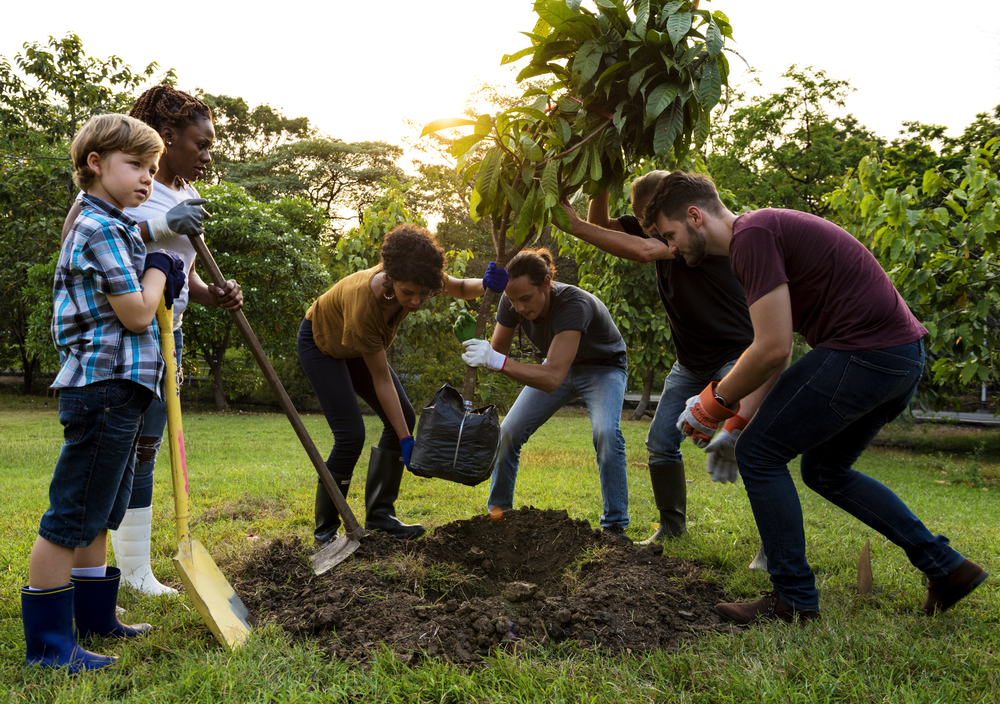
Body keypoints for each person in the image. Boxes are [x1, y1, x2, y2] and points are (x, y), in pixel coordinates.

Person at [642, 170, 988, 623]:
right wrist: (734, 424)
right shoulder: (757, 237)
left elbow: (772, 348)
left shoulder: (752, 236)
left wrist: (711, 403)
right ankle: (947, 568)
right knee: (824, 470)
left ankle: (793, 600)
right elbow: (773, 354)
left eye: (669, 235)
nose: (670, 248)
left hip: (866, 352)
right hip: (900, 357)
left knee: (761, 456)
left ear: (694, 215)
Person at [60, 85, 243, 596]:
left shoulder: (182, 191)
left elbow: (177, 273)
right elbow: (77, 241)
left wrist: (213, 293)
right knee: (117, 455)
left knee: (144, 448)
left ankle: (136, 571)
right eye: (200, 144)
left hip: (168, 335)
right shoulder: (121, 192)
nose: (208, 155)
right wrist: (159, 225)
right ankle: (131, 571)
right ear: (168, 138)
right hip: (122, 341)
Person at [23, 114, 186, 671]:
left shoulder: (118, 226)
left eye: (153, 168)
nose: (148, 178)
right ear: (96, 164)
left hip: (122, 391)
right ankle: (49, 647)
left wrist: (163, 261)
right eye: (136, 165)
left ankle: (95, 619)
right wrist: (163, 265)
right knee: (70, 518)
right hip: (103, 389)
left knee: (100, 513)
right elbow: (139, 314)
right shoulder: (99, 228)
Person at [557, 175, 771, 547]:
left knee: (747, 445)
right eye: (641, 220)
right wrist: (601, 176)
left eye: (649, 219)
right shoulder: (657, 231)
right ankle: (672, 527)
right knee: (659, 442)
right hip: (689, 362)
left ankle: (773, 545)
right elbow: (602, 225)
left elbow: (640, 249)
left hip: (734, 354)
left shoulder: (684, 237)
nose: (645, 227)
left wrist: (573, 225)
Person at [298, 224, 509, 544]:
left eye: (423, 294)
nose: (416, 301)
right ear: (390, 278)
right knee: (350, 435)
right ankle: (325, 531)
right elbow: (381, 380)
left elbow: (461, 288)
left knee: (403, 417)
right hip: (321, 344)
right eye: (408, 293)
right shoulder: (364, 303)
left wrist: (486, 283)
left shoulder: (422, 277)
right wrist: (405, 440)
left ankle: (380, 516)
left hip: (355, 346)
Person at [462, 248, 632, 541]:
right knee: (508, 433)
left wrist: (497, 360)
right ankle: (498, 515)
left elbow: (552, 377)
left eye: (525, 299)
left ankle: (615, 527)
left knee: (606, 432)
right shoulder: (511, 300)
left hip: (603, 368)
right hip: (557, 366)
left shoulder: (574, 304)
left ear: (547, 283)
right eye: (512, 300)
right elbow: (497, 353)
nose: (519, 308)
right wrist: (480, 349)